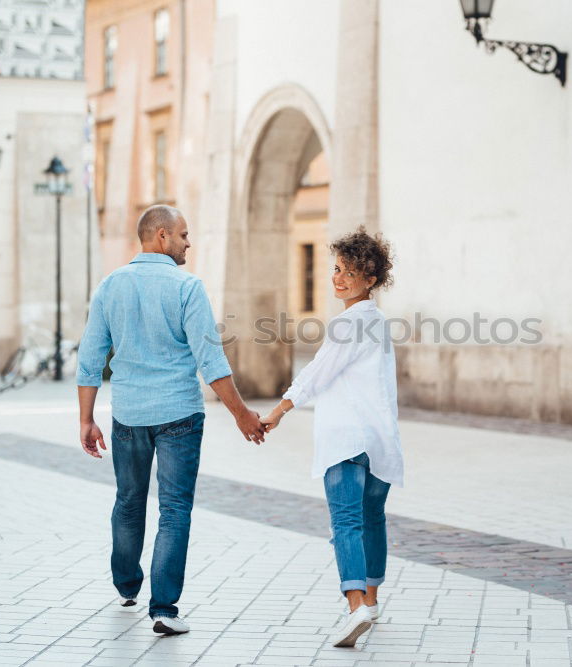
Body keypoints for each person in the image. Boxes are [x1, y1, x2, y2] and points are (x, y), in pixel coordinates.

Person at [75, 204, 266, 636]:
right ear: (161, 236)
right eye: (183, 235)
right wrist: (242, 415)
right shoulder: (188, 287)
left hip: (128, 414)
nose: (188, 243)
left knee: (129, 500)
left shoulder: (110, 286)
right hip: (179, 413)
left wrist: (86, 419)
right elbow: (210, 361)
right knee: (175, 510)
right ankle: (163, 609)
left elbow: (89, 359)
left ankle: (126, 586)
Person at [262, 227, 402, 648]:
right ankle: (372, 601)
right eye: (337, 269)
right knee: (371, 519)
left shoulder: (348, 324)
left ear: (371, 279)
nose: (338, 279)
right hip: (379, 440)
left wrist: (279, 410)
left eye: (350, 272)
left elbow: (317, 374)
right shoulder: (378, 323)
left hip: (345, 439)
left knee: (346, 522)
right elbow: (386, 388)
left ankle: (356, 605)